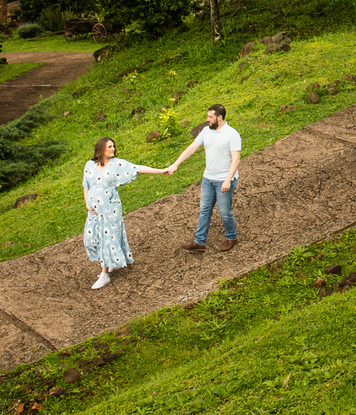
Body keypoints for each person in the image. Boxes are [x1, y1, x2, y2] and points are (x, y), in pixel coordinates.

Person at [83, 136, 168, 289]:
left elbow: (137, 168)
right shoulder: (89, 165)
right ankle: (109, 261)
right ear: (101, 148)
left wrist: (161, 171)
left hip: (110, 208)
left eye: (113, 146)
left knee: (106, 237)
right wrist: (87, 203)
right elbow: (86, 184)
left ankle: (104, 274)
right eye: (110, 146)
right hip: (94, 211)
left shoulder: (116, 164)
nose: (113, 149)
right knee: (90, 239)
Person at [165, 103, 242, 252]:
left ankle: (232, 237)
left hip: (224, 180)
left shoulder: (232, 134)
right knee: (204, 209)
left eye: (210, 117)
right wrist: (176, 164)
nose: (207, 119)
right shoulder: (206, 131)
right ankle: (200, 242)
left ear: (219, 117)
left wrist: (227, 180)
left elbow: (236, 159)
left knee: (224, 211)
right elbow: (192, 148)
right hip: (208, 178)